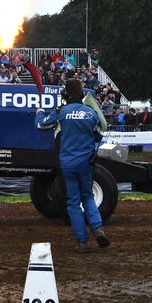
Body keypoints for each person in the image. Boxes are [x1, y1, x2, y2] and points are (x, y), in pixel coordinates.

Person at [34, 78, 110, 254]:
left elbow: (40, 125)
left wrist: (39, 112)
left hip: (67, 165)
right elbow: (99, 136)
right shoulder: (91, 113)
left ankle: (82, 243)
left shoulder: (61, 112)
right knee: (88, 197)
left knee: (73, 203)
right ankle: (98, 228)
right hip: (86, 164)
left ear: (66, 95)